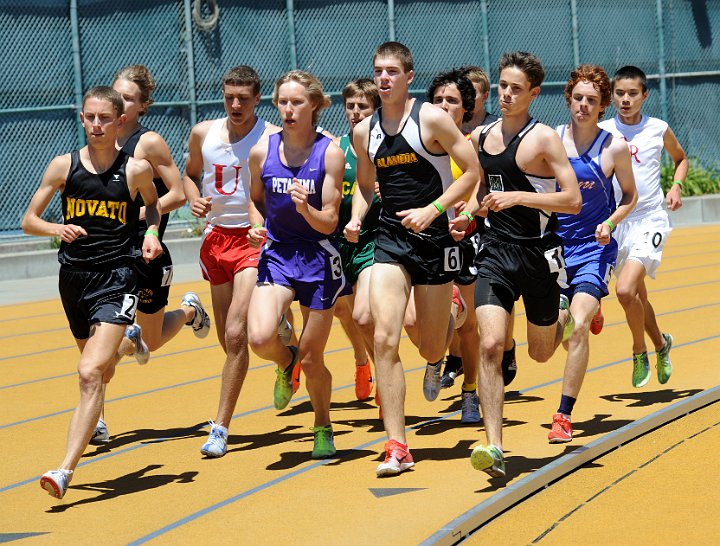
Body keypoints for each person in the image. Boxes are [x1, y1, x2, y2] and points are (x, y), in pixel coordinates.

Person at [345, 42, 480, 476]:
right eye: (378, 70)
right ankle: (397, 445)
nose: (384, 78)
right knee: (385, 336)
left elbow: (473, 172)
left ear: (408, 76)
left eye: (392, 71)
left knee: (429, 344)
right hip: (390, 240)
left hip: (435, 239)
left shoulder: (431, 119)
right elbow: (366, 184)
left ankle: (449, 330)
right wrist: (356, 216)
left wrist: (434, 210)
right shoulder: (365, 131)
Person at [22, 86, 162, 499]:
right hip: (74, 280)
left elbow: (153, 204)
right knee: (102, 368)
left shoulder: (134, 169)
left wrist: (151, 231)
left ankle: (64, 470)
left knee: (88, 373)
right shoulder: (63, 167)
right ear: (81, 118)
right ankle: (126, 340)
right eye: (89, 117)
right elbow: (29, 219)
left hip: (118, 277)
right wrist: (56, 229)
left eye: (104, 118)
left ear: (119, 121)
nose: (96, 125)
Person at [461, 51, 581, 478]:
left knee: (542, 352)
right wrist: (467, 213)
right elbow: (480, 190)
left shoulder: (544, 139)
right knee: (490, 344)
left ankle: (563, 316)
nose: (507, 94)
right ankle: (494, 445)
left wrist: (520, 197)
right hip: (495, 251)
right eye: (502, 86)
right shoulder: (481, 136)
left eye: (516, 89)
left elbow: (572, 200)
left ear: (533, 93)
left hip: (539, 253)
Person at [85, 66, 209, 446]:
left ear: (140, 106)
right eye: (114, 95)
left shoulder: (148, 143)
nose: (117, 104)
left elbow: (177, 193)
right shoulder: (98, 141)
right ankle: (98, 419)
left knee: (150, 342)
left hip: (147, 250)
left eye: (126, 98)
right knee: (96, 338)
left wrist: (140, 213)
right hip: (106, 255)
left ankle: (190, 311)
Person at [246, 70, 346, 459]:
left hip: (319, 256)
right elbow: (255, 200)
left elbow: (331, 221)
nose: (288, 109)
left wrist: (306, 209)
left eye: (297, 102)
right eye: (283, 102)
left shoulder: (330, 153)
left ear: (315, 105)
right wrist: (258, 226)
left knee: (314, 357)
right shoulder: (262, 151)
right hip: (279, 254)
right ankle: (285, 361)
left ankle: (322, 424)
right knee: (258, 337)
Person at [183, 65, 280, 458]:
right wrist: (193, 198)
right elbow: (189, 175)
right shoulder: (203, 133)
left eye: (243, 98)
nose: (236, 104)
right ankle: (287, 356)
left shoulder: (271, 136)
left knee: (239, 335)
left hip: (253, 238)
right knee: (228, 341)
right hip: (216, 238)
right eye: (229, 97)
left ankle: (220, 427)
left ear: (257, 99)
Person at [548, 65, 637, 443]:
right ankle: (588, 310)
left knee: (579, 324)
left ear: (602, 106)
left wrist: (612, 222)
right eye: (578, 98)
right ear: (568, 99)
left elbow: (631, 196)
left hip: (593, 248)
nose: (583, 105)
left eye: (592, 100)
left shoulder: (613, 147)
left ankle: (563, 415)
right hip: (554, 249)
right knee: (559, 336)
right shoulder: (550, 140)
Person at [598, 66, 688, 388]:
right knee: (636, 296)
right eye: (619, 93)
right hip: (619, 220)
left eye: (632, 93)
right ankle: (661, 344)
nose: (625, 99)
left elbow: (681, 158)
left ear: (644, 95)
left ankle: (639, 351)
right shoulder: (603, 130)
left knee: (624, 290)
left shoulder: (658, 128)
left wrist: (676, 186)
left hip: (651, 218)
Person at [425, 68, 482, 422]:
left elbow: (480, 186)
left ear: (466, 109)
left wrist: (468, 216)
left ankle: (470, 392)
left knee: (469, 325)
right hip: (428, 239)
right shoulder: (420, 141)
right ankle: (435, 358)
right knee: (426, 318)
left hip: (465, 239)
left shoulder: (472, 142)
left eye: (452, 101)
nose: (444, 106)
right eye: (438, 100)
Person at [335, 78, 382, 402]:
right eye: (350, 106)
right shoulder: (335, 150)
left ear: (375, 109)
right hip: (339, 242)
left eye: (362, 106)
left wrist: (387, 193)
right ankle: (361, 361)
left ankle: (385, 379)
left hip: (374, 241)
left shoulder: (385, 148)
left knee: (364, 316)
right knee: (346, 313)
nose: (355, 112)